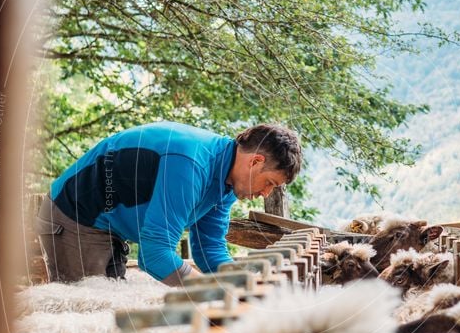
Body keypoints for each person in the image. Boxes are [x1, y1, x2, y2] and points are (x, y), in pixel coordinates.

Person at [36, 122, 302, 285]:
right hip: (74, 217)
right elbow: (154, 256)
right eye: (270, 183)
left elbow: (209, 251)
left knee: (107, 312)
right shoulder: (190, 165)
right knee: (88, 313)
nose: (267, 193)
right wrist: (207, 293)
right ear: (255, 162)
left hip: (109, 229)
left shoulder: (226, 184)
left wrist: (243, 283)